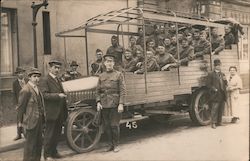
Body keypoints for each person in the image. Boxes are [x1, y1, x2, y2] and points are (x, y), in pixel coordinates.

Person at [96, 54, 125, 152]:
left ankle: (116, 145)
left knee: (114, 125)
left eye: (111, 62)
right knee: (107, 126)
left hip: (114, 103)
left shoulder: (118, 74)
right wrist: (98, 102)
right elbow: (98, 91)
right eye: (107, 62)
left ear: (114, 63)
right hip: (104, 104)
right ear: (104, 63)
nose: (109, 64)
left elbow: (122, 90)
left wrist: (121, 103)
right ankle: (110, 145)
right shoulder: (101, 76)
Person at [40, 60, 68, 160]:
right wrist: (58, 95)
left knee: (57, 134)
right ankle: (47, 155)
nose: (57, 70)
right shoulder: (45, 80)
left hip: (60, 111)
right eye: (55, 68)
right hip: (51, 112)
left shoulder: (58, 79)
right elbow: (44, 95)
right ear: (50, 68)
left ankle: (54, 152)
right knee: (49, 134)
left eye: (58, 68)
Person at [17, 67, 44, 161]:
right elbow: (20, 108)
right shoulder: (26, 90)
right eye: (34, 76)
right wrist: (20, 123)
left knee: (38, 145)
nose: (37, 79)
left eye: (38, 76)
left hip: (39, 121)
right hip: (30, 122)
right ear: (29, 77)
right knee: (30, 147)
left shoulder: (37, 88)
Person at [206, 59, 227, 129]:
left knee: (221, 108)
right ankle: (213, 123)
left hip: (222, 93)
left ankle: (219, 122)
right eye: (217, 65)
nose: (218, 67)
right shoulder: (211, 74)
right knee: (214, 109)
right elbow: (208, 84)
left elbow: (225, 83)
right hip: (215, 94)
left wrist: (225, 80)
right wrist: (214, 89)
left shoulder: (222, 74)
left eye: (219, 65)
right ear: (214, 66)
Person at [13, 67, 28, 141]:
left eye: (22, 72)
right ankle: (19, 134)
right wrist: (16, 104)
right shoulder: (15, 83)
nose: (21, 74)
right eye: (19, 73)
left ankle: (27, 132)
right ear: (17, 74)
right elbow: (14, 95)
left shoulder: (27, 81)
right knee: (19, 118)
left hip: (28, 102)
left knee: (28, 116)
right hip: (20, 103)